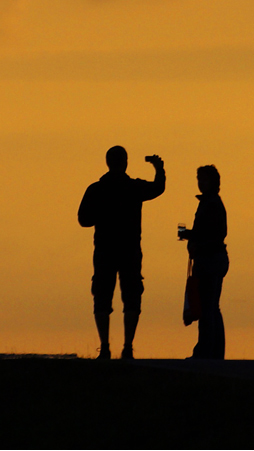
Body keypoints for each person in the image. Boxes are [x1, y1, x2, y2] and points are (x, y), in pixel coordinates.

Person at [78, 146, 165, 359]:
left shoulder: (96, 189)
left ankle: (105, 347)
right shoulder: (133, 188)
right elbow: (158, 188)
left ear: (107, 162)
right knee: (132, 297)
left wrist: (102, 215)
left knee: (102, 297)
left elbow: (83, 219)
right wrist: (159, 168)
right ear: (125, 162)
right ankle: (127, 347)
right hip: (130, 251)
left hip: (105, 251)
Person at [178, 165, 229, 359]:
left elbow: (215, 234)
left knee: (208, 307)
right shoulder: (210, 202)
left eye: (204, 179)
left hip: (210, 259)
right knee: (211, 306)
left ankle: (206, 351)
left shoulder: (211, 203)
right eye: (199, 179)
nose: (200, 183)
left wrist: (191, 236)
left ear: (213, 182)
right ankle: (213, 351)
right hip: (212, 258)